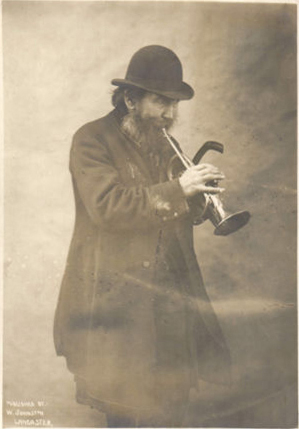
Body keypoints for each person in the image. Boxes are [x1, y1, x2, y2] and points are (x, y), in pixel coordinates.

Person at [54, 45, 231, 428]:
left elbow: (173, 216)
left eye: (175, 105)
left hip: (170, 307)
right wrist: (179, 190)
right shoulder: (91, 140)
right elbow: (108, 207)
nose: (170, 114)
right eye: (161, 102)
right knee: (126, 410)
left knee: (172, 411)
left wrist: (199, 201)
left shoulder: (164, 141)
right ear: (131, 99)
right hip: (119, 308)